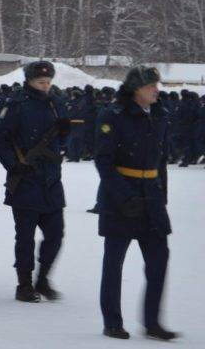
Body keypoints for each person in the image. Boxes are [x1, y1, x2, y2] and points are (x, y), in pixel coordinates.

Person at [96, 66, 178, 341]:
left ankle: (152, 321)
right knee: (114, 263)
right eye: (150, 86)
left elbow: (160, 159)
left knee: (159, 259)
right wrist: (124, 196)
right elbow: (104, 162)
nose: (156, 90)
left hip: (151, 198)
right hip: (121, 198)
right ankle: (112, 321)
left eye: (157, 84)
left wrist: (161, 196)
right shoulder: (114, 115)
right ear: (135, 90)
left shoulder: (159, 115)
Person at [0, 60, 68, 303]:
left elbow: (61, 137)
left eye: (48, 82)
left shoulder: (55, 103)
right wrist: (14, 164)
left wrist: (65, 135)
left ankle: (43, 279)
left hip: (52, 180)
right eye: (40, 82)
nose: (45, 86)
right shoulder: (16, 105)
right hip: (26, 179)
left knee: (55, 234)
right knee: (25, 236)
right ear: (29, 81)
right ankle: (24, 283)